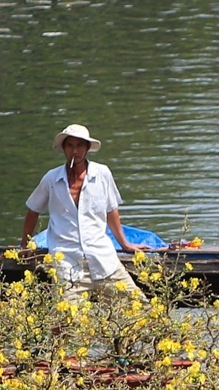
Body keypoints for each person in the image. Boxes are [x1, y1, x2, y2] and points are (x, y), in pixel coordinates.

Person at [20, 122, 145, 297]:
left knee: (139, 310)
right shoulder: (52, 179)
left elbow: (111, 210)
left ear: (87, 148)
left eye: (79, 145)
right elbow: (33, 210)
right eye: (70, 145)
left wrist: (125, 243)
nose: (75, 151)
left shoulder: (102, 174)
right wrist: (24, 245)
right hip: (67, 265)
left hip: (103, 259)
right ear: (64, 148)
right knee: (64, 321)